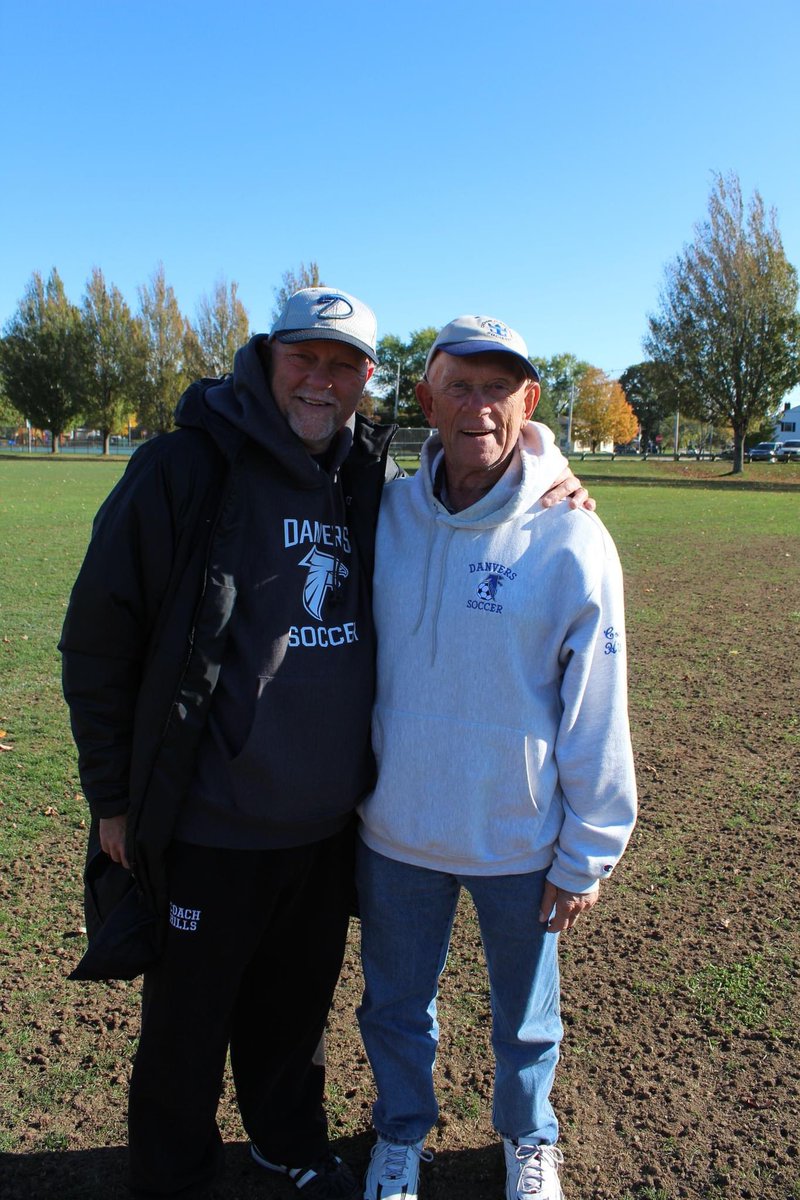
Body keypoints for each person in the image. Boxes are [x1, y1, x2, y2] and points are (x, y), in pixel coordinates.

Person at [60, 291, 591, 1200]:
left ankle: (287, 1142)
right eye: (306, 357)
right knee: (187, 1025)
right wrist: (113, 797)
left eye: (344, 364)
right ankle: (174, 1174)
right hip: (209, 823)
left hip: (326, 828)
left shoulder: (361, 479)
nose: (322, 379)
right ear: (268, 358)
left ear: (368, 383)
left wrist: (549, 476)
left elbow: (485, 472)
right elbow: (99, 637)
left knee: (293, 1017)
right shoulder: (184, 469)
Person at [356, 315, 638, 1200]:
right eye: (459, 386)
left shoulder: (572, 537)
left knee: (525, 1018)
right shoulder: (381, 511)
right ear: (426, 396)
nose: (478, 407)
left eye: (497, 388)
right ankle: (402, 1135)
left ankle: (529, 1137)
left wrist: (587, 850)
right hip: (397, 832)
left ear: (530, 400)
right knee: (395, 1011)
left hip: (520, 841)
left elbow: (598, 702)